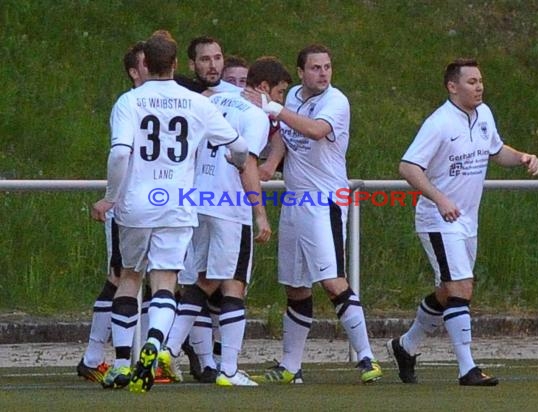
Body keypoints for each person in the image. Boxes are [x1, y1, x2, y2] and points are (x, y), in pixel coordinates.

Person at [90, 30, 249, 393]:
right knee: (166, 279)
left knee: (130, 276)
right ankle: (155, 343)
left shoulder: (129, 101)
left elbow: (119, 154)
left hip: (135, 203)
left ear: (144, 63)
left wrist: (110, 197)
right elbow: (238, 146)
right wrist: (236, 161)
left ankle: (119, 363)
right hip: (177, 203)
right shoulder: (197, 103)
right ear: (177, 64)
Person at [387, 58, 538, 386]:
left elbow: (496, 151)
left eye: (480, 80)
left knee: (449, 291)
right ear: (452, 87)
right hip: (438, 219)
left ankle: (405, 345)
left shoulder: (484, 115)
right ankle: (467, 368)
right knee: (461, 287)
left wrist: (523, 157)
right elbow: (408, 167)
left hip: (467, 220)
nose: (479, 86)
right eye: (471, 82)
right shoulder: (439, 123)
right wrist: (440, 199)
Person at [250, 44, 382, 384]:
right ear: (301, 72)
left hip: (326, 199)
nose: (323, 73)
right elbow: (288, 136)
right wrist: (270, 163)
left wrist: (274, 107)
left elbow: (315, 130)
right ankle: (290, 366)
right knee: (295, 286)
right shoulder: (293, 95)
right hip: (295, 199)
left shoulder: (336, 102)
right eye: (315, 68)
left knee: (331, 279)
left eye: (327, 67)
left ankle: (366, 357)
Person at [159, 56, 293, 387]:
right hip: (229, 205)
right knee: (235, 283)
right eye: (280, 93)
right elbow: (247, 163)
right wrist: (259, 211)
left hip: (197, 200)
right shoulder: (256, 115)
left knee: (204, 280)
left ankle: (170, 348)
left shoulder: (213, 99)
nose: (281, 101)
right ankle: (228, 369)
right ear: (263, 88)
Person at [76, 41, 149, 385]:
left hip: (158, 206)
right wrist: (112, 198)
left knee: (139, 278)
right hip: (129, 206)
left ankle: (105, 357)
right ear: (134, 72)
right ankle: (97, 357)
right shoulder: (129, 105)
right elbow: (120, 154)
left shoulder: (169, 102)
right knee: (121, 277)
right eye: (147, 64)